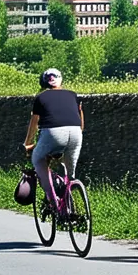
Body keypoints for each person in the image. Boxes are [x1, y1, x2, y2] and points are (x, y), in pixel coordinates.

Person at [22, 68, 83, 214]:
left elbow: (34, 122)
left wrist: (27, 143)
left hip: (52, 133)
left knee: (37, 159)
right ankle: (69, 201)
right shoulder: (73, 95)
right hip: (76, 133)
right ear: (61, 80)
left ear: (43, 83)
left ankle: (53, 200)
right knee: (69, 173)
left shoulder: (40, 98)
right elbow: (81, 122)